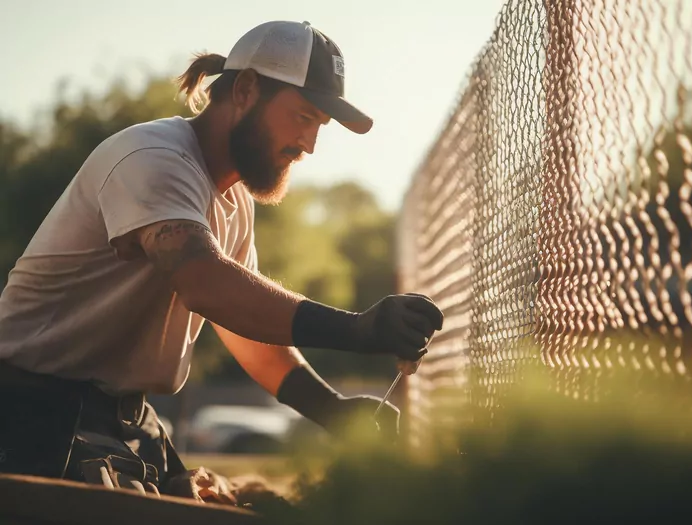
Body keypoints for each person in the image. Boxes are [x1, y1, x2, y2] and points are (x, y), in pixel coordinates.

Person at [0, 20, 443, 496]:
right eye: (303, 116)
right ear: (247, 90)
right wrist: (358, 330)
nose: (309, 145)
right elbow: (206, 284)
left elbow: (239, 322)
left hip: (122, 416)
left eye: (319, 126)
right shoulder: (153, 157)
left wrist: (329, 406)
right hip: (29, 409)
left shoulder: (232, 201)